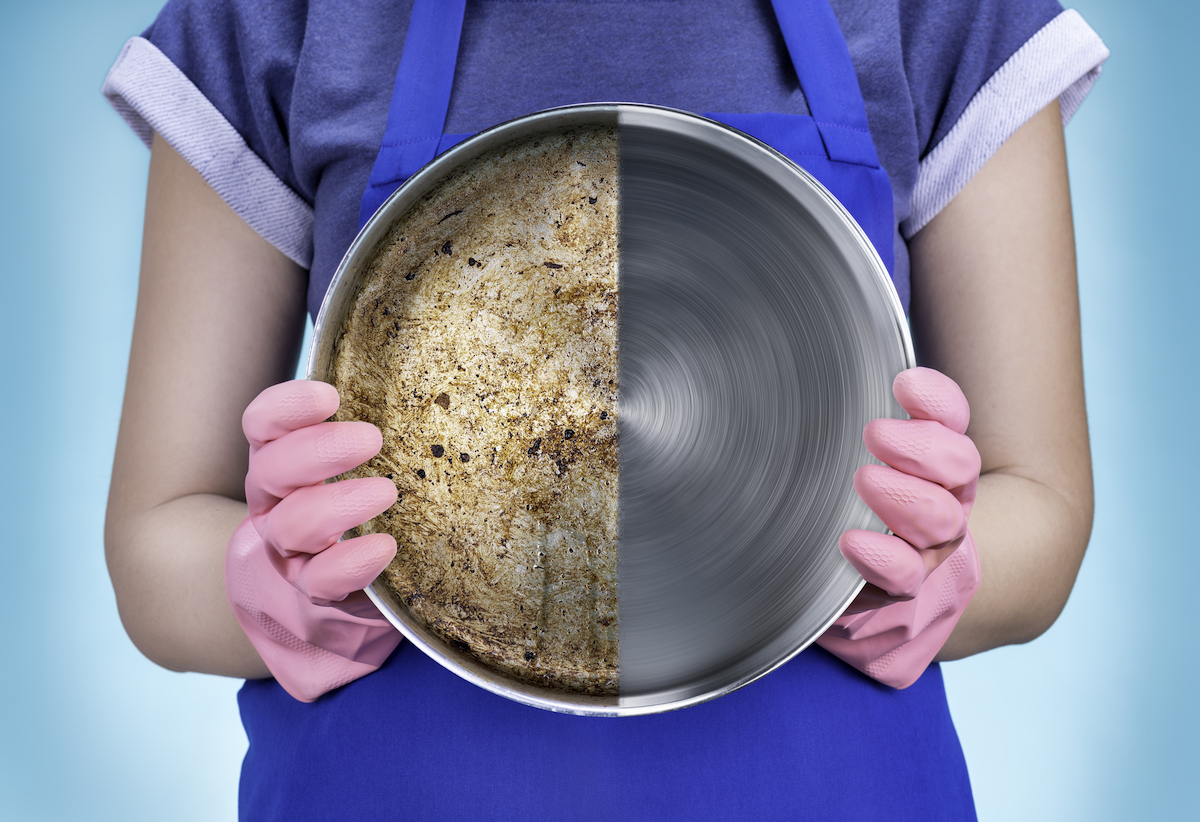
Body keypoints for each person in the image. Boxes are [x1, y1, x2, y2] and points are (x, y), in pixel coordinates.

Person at [102, 0, 1104, 817]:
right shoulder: (276, 18)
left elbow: (1044, 501)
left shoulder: (945, 13)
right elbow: (158, 539)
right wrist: (268, 593)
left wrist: (948, 573)